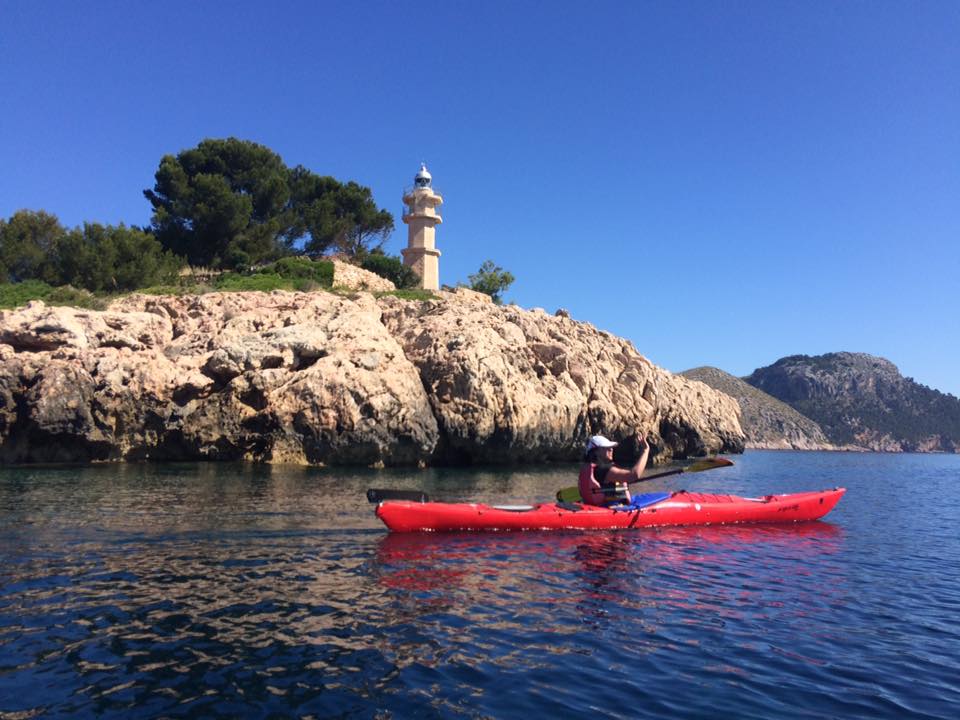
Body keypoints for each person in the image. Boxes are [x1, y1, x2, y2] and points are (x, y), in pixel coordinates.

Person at [578, 433, 650, 506]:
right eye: (606, 447)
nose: (611, 449)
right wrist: (645, 450)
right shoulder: (603, 469)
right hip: (612, 509)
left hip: (597, 506)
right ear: (596, 451)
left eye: (611, 447)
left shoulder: (588, 467)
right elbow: (634, 474)